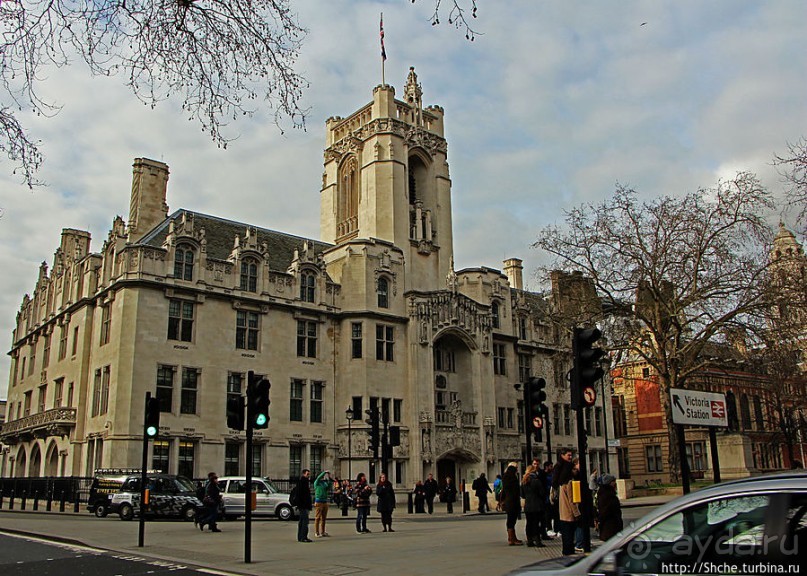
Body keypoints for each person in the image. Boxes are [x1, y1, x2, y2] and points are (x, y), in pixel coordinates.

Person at [557, 458, 580, 555]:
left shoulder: (562, 482)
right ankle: (569, 552)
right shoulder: (570, 482)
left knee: (566, 536)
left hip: (563, 513)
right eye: (574, 469)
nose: (576, 471)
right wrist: (577, 513)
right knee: (569, 536)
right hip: (569, 513)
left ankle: (566, 551)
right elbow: (572, 500)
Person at [521, 461, 546, 547]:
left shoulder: (523, 482)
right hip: (537, 505)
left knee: (529, 523)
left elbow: (522, 495)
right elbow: (542, 493)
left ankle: (529, 540)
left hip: (528, 505)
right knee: (536, 523)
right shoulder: (536, 481)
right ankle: (537, 540)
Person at [500, 462, 523, 545]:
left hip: (509, 501)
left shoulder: (505, 478)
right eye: (516, 469)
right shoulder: (512, 478)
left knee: (511, 519)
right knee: (512, 519)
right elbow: (515, 490)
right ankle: (511, 538)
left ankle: (512, 537)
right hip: (513, 501)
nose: (517, 470)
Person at [596, 474, 623, 541]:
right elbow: (605, 510)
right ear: (610, 483)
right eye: (613, 481)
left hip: (611, 524)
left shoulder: (606, 493)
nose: (615, 483)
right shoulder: (608, 494)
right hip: (610, 525)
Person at [296, 469, 313, 543]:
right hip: (304, 505)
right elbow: (304, 496)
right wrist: (306, 505)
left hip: (302, 505)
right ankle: (303, 537)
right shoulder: (303, 483)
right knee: (305, 522)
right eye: (307, 474)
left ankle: (300, 537)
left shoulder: (302, 482)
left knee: (302, 521)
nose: (308, 476)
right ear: (303, 474)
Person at [313, 469, 331, 537]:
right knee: (317, 517)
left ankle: (323, 532)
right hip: (319, 501)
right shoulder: (316, 482)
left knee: (323, 518)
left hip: (324, 501)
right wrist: (324, 472)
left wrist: (330, 479)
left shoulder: (324, 483)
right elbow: (318, 478)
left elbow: (328, 487)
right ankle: (317, 532)